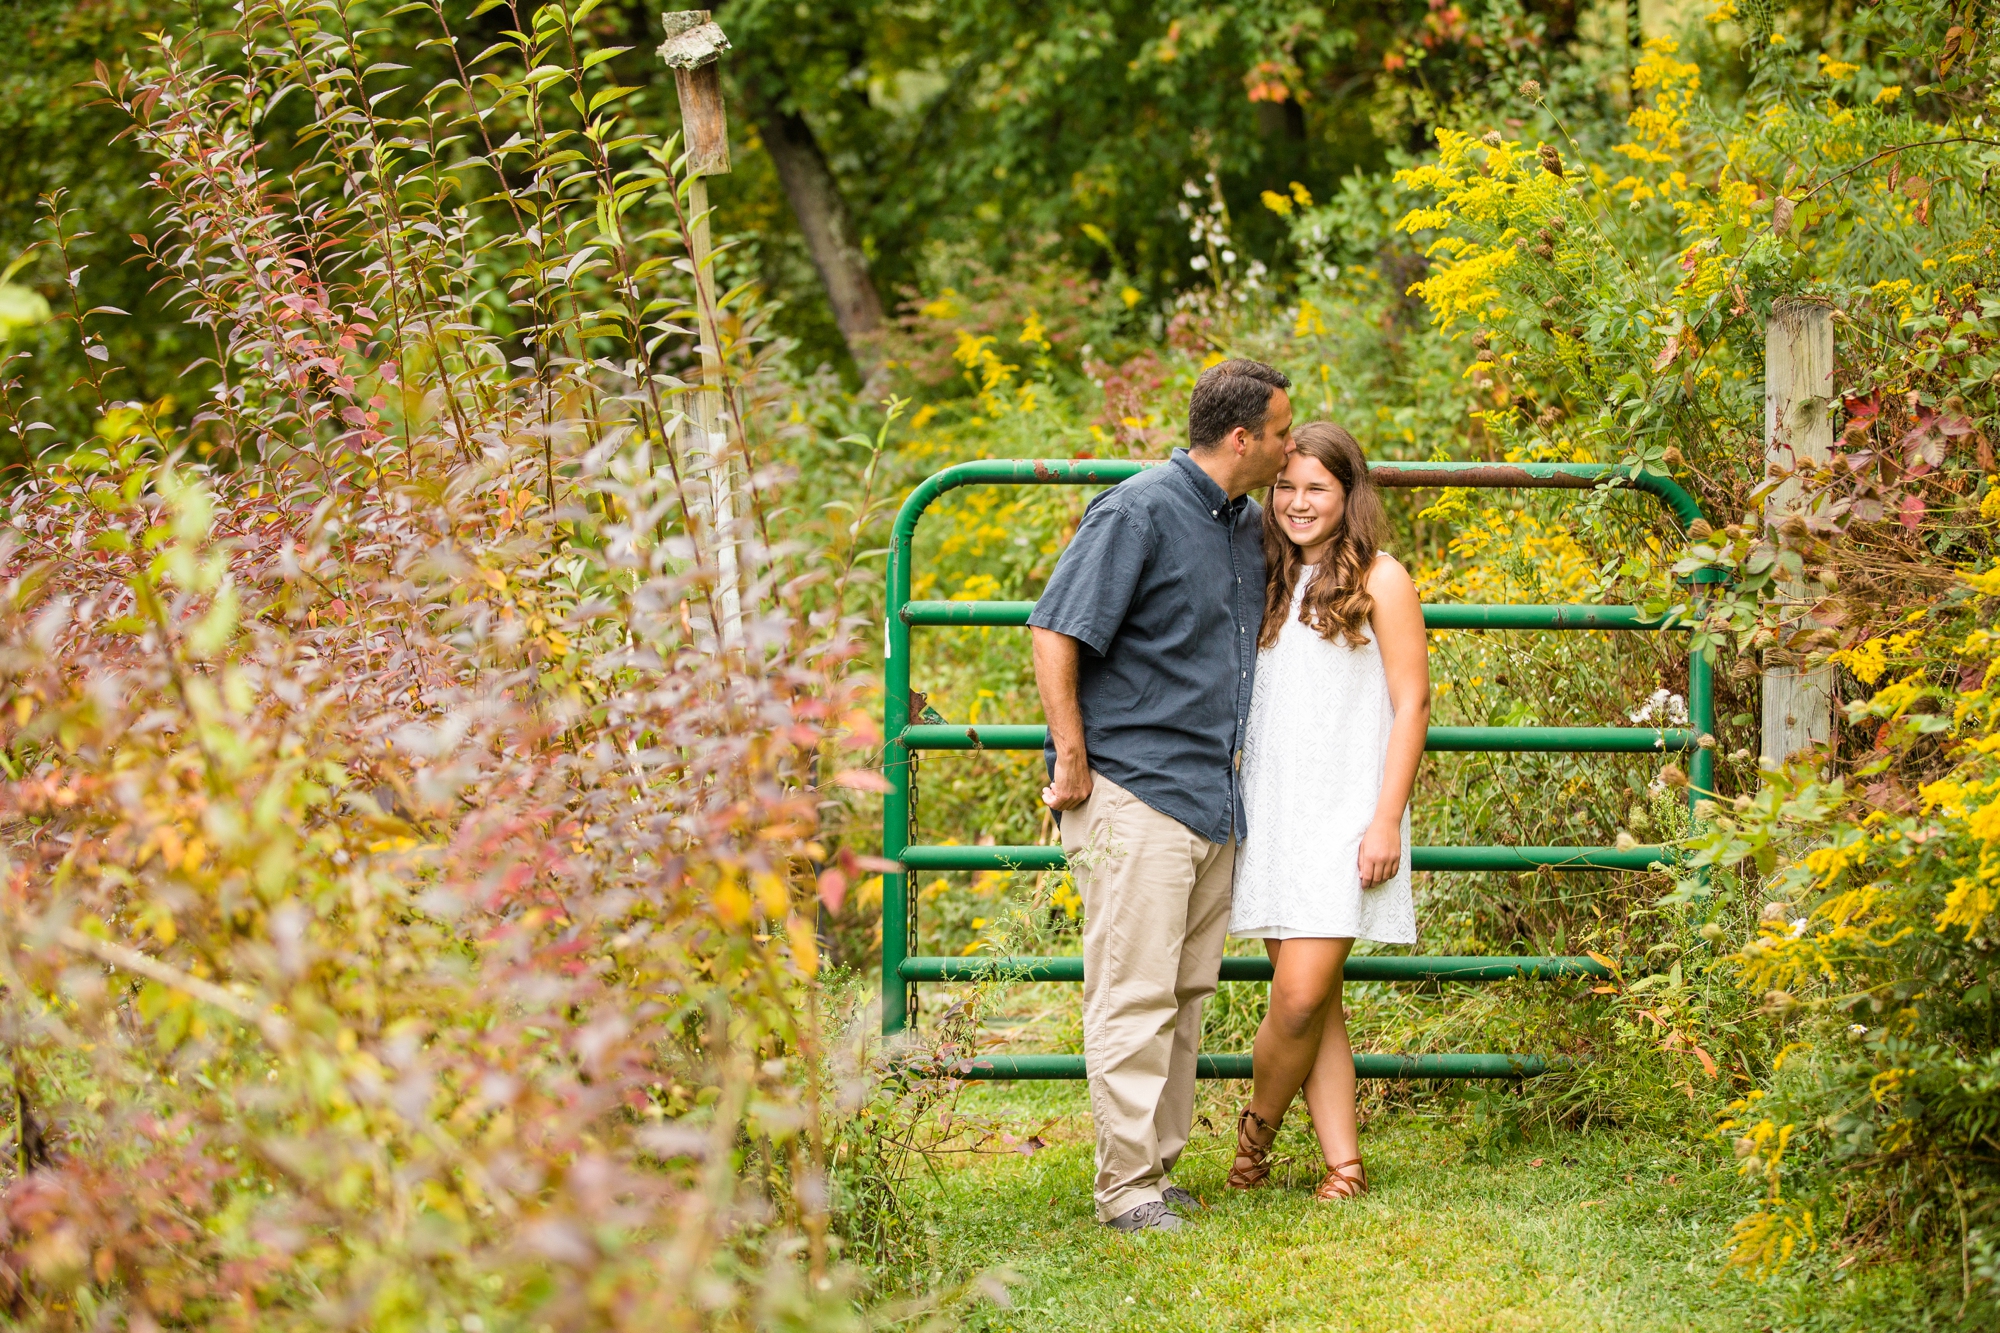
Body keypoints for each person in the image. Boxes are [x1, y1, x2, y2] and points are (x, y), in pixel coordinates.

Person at [1028, 359, 1295, 1234]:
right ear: (1242, 437)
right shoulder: (1138, 508)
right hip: (1134, 788)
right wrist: (1071, 756)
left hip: (1211, 794)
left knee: (1184, 994)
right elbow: (1056, 628)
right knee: (1133, 993)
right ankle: (1126, 1189)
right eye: (1284, 431)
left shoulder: (1245, 524)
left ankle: (1157, 1171)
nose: (1291, 447)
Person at [1222, 421, 1430, 1203]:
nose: (1298, 502)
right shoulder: (1260, 576)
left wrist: (1386, 820)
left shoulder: (1382, 577)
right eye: (1286, 485)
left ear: (1350, 495)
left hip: (1349, 812)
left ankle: (1254, 1138)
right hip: (1271, 807)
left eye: (1318, 488)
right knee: (1317, 1004)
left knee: (1301, 993)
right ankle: (1344, 1163)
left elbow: (1411, 705)